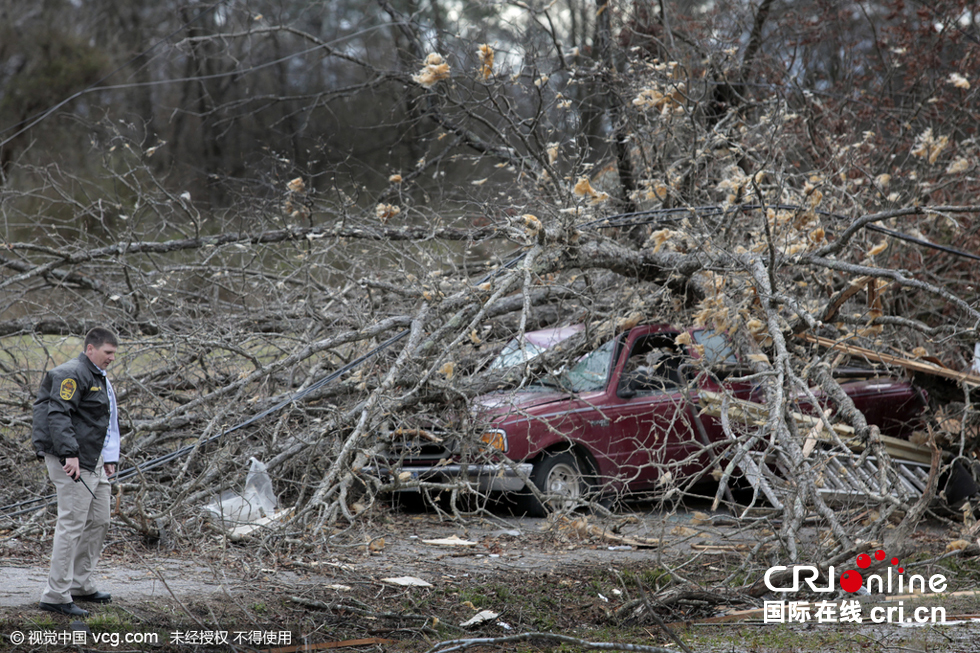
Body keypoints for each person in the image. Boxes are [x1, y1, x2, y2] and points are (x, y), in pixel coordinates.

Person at [32, 327, 120, 617]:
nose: (111, 358)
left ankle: (80, 584)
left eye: (114, 354)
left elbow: (102, 420)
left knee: (100, 519)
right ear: (90, 348)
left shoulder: (98, 376)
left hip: (93, 460)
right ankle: (56, 594)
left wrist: (109, 456)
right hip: (71, 460)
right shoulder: (70, 373)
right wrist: (69, 454)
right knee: (72, 524)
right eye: (108, 353)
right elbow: (58, 414)